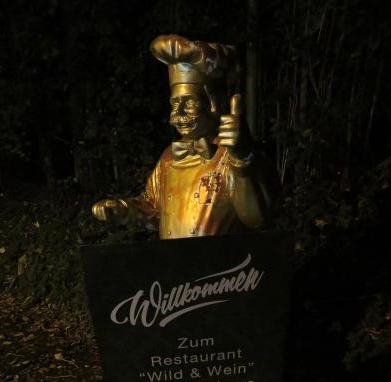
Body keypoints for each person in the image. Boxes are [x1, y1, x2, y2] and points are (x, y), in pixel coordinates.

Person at [92, 34, 279, 239]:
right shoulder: (168, 158)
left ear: (213, 103)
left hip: (221, 260)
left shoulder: (230, 155)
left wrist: (241, 157)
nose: (177, 115)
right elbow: (153, 209)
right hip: (173, 260)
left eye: (189, 103)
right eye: (174, 104)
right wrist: (123, 210)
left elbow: (257, 218)